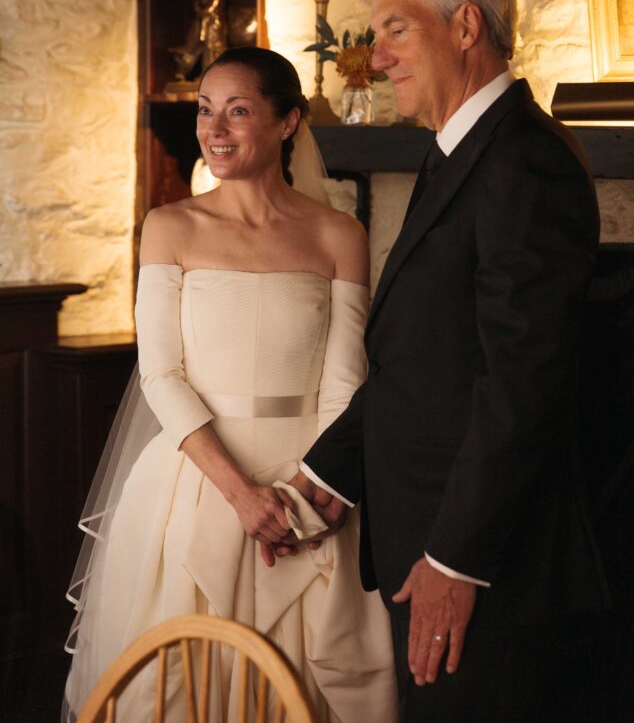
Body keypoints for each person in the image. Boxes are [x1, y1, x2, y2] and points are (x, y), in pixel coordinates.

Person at [281, 0, 610, 722]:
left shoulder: (523, 161)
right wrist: (328, 474)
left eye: (395, 30)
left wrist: (455, 560)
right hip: (424, 542)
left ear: (465, 26)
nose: (375, 58)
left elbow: (521, 385)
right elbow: (425, 359)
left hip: (483, 571)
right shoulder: (456, 152)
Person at [63, 47, 397, 722]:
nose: (214, 130)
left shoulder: (339, 234)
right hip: (196, 482)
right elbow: (161, 374)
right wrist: (241, 495)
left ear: (287, 122)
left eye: (238, 111)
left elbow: (344, 383)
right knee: (180, 688)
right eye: (205, 111)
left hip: (309, 488)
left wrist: (312, 492)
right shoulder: (170, 227)